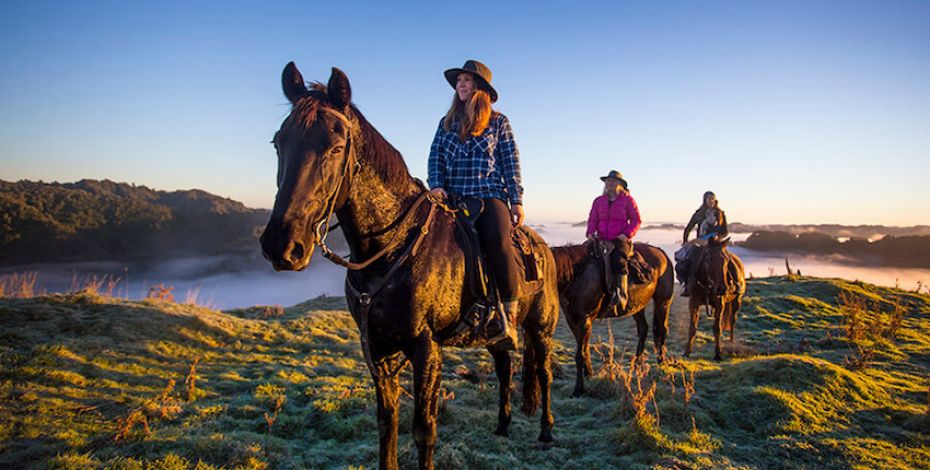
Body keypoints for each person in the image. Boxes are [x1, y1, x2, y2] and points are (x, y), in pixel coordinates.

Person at [427, 59, 523, 349]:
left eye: (467, 80)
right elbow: (435, 157)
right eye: (459, 81)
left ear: (480, 88)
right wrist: (437, 185)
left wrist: (516, 200)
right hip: (453, 198)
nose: (461, 85)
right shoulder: (446, 124)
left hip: (489, 195)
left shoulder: (498, 122)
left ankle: (508, 315)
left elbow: (510, 162)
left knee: (497, 241)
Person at [585, 170, 642, 315]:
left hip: (619, 239)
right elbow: (593, 219)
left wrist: (627, 234)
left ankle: (621, 296)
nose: (610, 184)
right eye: (608, 181)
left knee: (619, 261)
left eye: (613, 181)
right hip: (601, 238)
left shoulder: (628, 200)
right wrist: (590, 232)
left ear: (620, 185)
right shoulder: (599, 201)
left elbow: (636, 220)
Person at [676, 191, 729, 296]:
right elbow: (688, 228)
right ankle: (688, 285)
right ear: (704, 200)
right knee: (690, 261)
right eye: (709, 199)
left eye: (713, 199)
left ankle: (731, 283)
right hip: (701, 242)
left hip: (716, 243)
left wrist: (719, 237)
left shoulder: (720, 214)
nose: (711, 201)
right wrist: (685, 241)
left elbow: (725, 231)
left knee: (724, 260)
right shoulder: (698, 214)